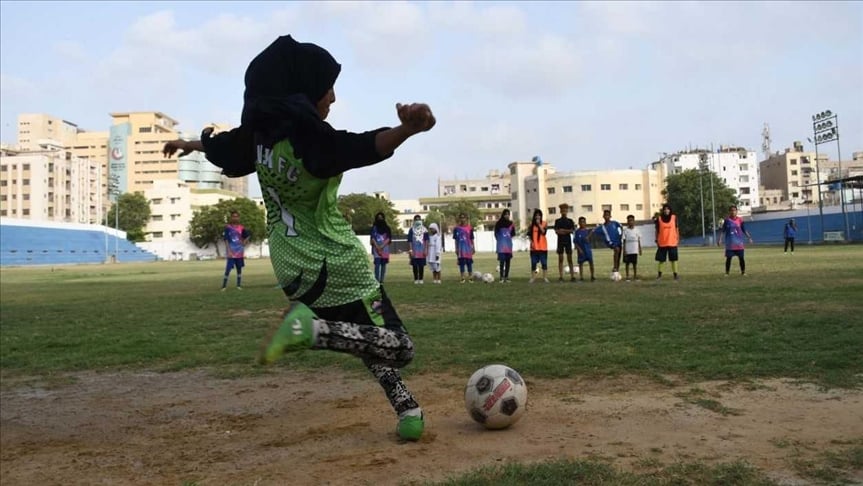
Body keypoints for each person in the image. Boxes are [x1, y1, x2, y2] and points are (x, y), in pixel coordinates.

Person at [160, 35, 435, 441]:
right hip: (335, 261)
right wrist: (407, 129)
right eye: (328, 87)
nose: (334, 98)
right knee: (398, 345)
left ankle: (406, 407)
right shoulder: (311, 141)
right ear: (302, 92)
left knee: (361, 333)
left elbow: (221, 146)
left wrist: (188, 143)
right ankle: (311, 330)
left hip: (290, 265)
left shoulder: (258, 138)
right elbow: (360, 146)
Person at [718, 205, 753, 276]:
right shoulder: (727, 220)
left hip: (739, 243)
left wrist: (749, 237)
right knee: (729, 258)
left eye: (734, 210)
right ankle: (727, 273)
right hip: (730, 243)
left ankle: (743, 272)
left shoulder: (740, 220)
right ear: (729, 211)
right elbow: (723, 231)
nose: (733, 212)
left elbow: (744, 230)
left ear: (736, 211)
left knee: (741, 258)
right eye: (731, 210)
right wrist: (720, 239)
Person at [222, 210, 251, 291]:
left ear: (239, 217)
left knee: (239, 269)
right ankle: (224, 286)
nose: (235, 218)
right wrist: (229, 251)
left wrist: (244, 242)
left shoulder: (241, 228)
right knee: (228, 269)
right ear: (231, 217)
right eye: (233, 216)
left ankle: (238, 285)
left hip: (239, 251)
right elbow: (226, 240)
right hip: (231, 251)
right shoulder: (228, 228)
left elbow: (248, 235)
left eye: (237, 216)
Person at [653, 203, 680, 281]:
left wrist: (677, 238)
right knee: (661, 260)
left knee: (673, 260)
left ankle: (675, 275)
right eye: (665, 209)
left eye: (668, 209)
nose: (666, 210)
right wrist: (656, 240)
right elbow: (657, 230)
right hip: (662, 243)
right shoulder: (659, 219)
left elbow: (677, 229)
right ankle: (659, 275)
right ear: (663, 210)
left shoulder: (674, 218)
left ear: (670, 210)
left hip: (672, 242)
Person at [598, 209, 623, 281]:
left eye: (608, 215)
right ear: (603, 216)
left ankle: (616, 271)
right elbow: (594, 231)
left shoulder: (615, 223)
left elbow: (620, 227)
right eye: (605, 215)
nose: (606, 217)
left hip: (618, 241)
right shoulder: (602, 227)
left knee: (618, 255)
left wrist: (620, 235)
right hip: (611, 242)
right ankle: (615, 268)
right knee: (616, 250)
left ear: (610, 216)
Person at [554, 203, 576, 282]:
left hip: (568, 241)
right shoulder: (557, 221)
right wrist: (565, 231)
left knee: (570, 258)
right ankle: (561, 276)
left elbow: (572, 230)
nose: (564, 211)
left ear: (567, 211)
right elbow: (556, 231)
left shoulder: (570, 221)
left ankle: (572, 276)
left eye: (565, 210)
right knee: (560, 259)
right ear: (560, 211)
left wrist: (563, 230)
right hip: (560, 241)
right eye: (562, 210)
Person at [493, 209, 516, 283]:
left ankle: (507, 277)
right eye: (505, 214)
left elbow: (512, 234)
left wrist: (507, 239)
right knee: (502, 262)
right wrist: (500, 241)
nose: (507, 215)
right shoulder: (498, 223)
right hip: (501, 246)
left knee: (508, 262)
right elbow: (495, 234)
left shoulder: (511, 224)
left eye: (508, 214)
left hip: (508, 246)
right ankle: (501, 277)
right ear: (503, 215)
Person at [528, 209, 549, 284]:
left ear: (541, 216)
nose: (537, 217)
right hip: (534, 248)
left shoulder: (544, 223)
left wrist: (539, 224)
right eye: (536, 215)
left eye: (539, 215)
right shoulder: (531, 225)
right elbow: (529, 235)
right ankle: (533, 278)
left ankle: (545, 277)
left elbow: (543, 232)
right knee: (533, 263)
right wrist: (532, 242)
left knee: (544, 263)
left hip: (543, 247)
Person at [453, 213, 475, 283]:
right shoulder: (456, 229)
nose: (462, 219)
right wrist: (456, 248)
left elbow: (471, 239)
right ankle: (462, 278)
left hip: (468, 248)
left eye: (464, 218)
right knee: (461, 263)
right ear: (459, 219)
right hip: (460, 249)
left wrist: (473, 247)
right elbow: (456, 240)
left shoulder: (470, 228)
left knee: (469, 263)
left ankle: (470, 277)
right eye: (461, 218)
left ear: (466, 219)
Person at [407, 214, 429, 284]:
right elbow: (410, 240)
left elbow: (426, 240)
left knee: (421, 265)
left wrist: (426, 249)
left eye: (418, 219)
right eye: (416, 220)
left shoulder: (425, 229)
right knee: (414, 265)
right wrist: (410, 250)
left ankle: (421, 279)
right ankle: (416, 279)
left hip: (422, 250)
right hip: (414, 250)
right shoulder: (411, 230)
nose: (417, 221)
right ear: (414, 221)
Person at [370, 212, 391, 283]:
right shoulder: (374, 228)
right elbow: (372, 238)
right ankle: (377, 280)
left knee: (383, 264)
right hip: (376, 248)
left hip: (385, 248)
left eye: (381, 217)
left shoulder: (387, 228)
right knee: (377, 264)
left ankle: (382, 280)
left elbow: (388, 238)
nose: (380, 219)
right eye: (378, 218)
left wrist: (381, 246)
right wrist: (377, 247)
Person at [573, 216, 596, 282]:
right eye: (581, 222)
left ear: (585, 223)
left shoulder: (588, 231)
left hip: (588, 250)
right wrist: (579, 249)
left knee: (591, 262)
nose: (582, 223)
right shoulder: (577, 232)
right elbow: (575, 242)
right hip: (581, 250)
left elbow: (590, 240)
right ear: (579, 223)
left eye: (583, 222)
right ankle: (581, 277)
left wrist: (589, 237)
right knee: (580, 264)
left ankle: (592, 276)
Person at [622, 214, 642, 281]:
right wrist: (624, 250)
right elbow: (624, 241)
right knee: (627, 263)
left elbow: (638, 240)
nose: (630, 222)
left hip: (634, 249)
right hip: (628, 249)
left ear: (634, 221)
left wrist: (640, 249)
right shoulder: (625, 230)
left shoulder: (637, 230)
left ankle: (635, 276)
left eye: (631, 220)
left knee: (634, 263)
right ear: (627, 221)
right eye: (629, 220)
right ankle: (627, 276)